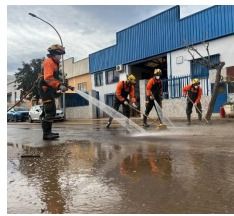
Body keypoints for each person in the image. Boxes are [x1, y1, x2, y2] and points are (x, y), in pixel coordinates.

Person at [37, 44, 68, 140]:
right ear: (55, 54)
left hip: (48, 87)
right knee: (50, 110)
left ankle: (48, 132)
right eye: (60, 54)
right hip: (45, 87)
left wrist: (63, 85)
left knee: (50, 110)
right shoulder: (49, 62)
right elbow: (48, 78)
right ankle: (46, 134)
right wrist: (59, 85)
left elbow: (54, 78)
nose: (60, 57)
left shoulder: (54, 63)